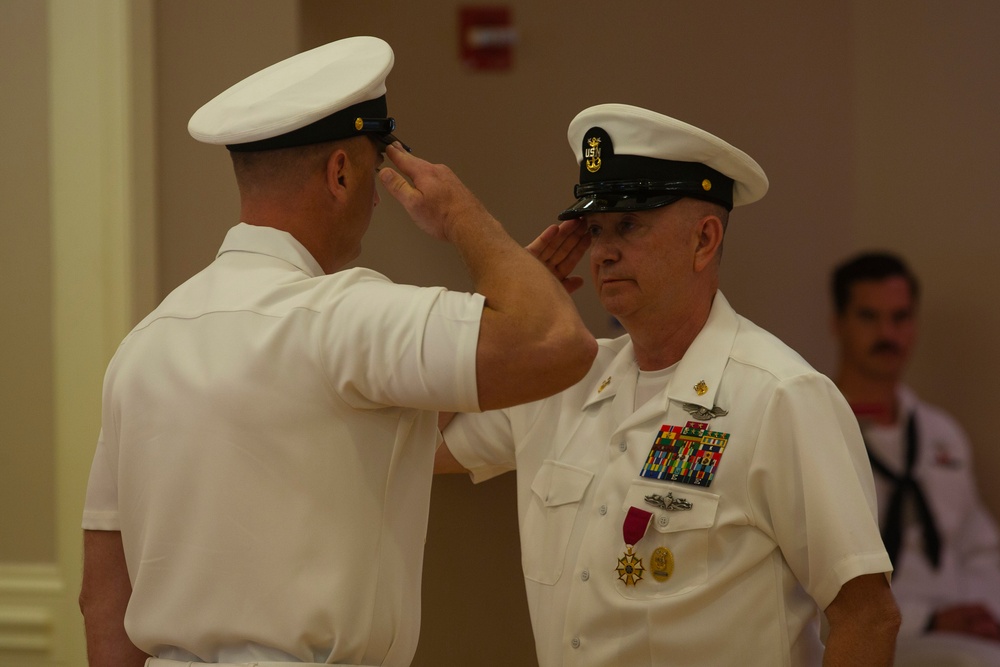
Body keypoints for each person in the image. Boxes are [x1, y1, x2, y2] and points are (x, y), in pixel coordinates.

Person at [77, 36, 597, 667]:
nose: (379, 200)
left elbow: (102, 599)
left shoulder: (143, 345)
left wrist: (506, 307)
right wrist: (462, 214)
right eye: (375, 175)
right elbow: (557, 345)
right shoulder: (347, 316)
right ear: (341, 174)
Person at [436, 103, 900, 666]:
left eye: (629, 225)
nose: (603, 251)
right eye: (596, 228)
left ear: (704, 241)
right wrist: (499, 310)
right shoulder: (563, 380)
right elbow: (420, 444)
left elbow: (868, 616)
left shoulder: (781, 394)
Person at [831, 251, 1000, 665]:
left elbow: (978, 547)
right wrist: (929, 619)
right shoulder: (819, 429)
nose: (887, 333)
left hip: (958, 627)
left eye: (901, 317)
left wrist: (984, 613)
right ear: (839, 324)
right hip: (872, 632)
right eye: (869, 317)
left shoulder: (942, 434)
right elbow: (814, 571)